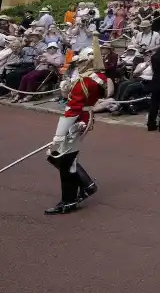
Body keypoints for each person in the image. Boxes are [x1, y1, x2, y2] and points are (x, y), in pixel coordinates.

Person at [44, 33, 111, 215]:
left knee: (61, 158)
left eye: (81, 62)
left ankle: (69, 199)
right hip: (85, 117)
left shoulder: (84, 81)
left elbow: (72, 108)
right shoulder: (98, 78)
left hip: (77, 120)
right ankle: (85, 185)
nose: (78, 65)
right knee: (64, 158)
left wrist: (58, 136)